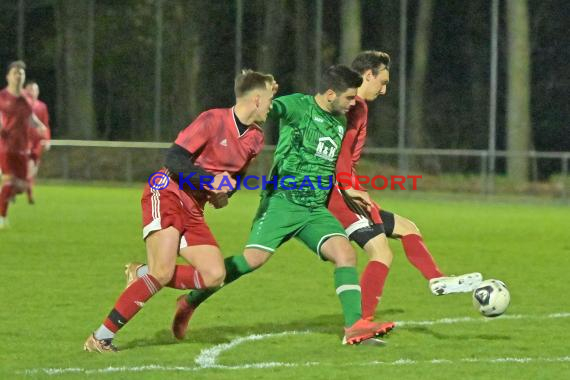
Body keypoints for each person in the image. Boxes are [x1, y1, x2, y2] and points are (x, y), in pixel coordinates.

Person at [132, 65, 395, 346]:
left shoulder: (339, 121)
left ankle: (354, 327)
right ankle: (188, 300)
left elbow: (334, 163)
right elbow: (267, 110)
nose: (354, 103)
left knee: (345, 255)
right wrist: (267, 94)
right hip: (281, 202)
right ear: (331, 94)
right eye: (349, 98)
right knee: (251, 261)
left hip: (315, 208)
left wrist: (348, 189)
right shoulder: (297, 106)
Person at [84, 70, 276, 353]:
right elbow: (174, 158)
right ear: (257, 99)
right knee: (162, 273)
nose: (272, 106)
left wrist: (225, 194)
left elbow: (236, 177)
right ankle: (100, 337)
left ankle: (143, 272)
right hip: (167, 192)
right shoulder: (212, 120)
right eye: (271, 99)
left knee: (214, 275)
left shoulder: (255, 138)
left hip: (194, 207)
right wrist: (210, 181)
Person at [328, 51, 482, 321]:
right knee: (381, 253)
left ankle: (436, 279)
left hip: (344, 187)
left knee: (407, 228)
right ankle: (360, 324)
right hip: (338, 192)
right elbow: (341, 153)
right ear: (368, 76)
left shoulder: (353, 105)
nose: (385, 90)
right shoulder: (355, 106)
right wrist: (347, 185)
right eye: (383, 82)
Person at [0, 61, 47, 229]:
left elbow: (29, 118)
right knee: (8, 181)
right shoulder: (2, 96)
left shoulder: (26, 99)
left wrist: (40, 125)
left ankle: (5, 195)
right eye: (15, 72)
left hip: (22, 147)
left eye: (21, 73)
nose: (18, 75)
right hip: (6, 147)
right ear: (8, 76)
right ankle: (2, 218)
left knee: (22, 186)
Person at [24, 80, 51, 204]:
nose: (32, 92)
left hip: (36, 143)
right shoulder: (20, 105)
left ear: (38, 92)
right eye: (29, 89)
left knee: (32, 170)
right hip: (22, 142)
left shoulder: (42, 106)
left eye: (34, 90)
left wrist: (47, 139)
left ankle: (29, 191)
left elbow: (45, 125)